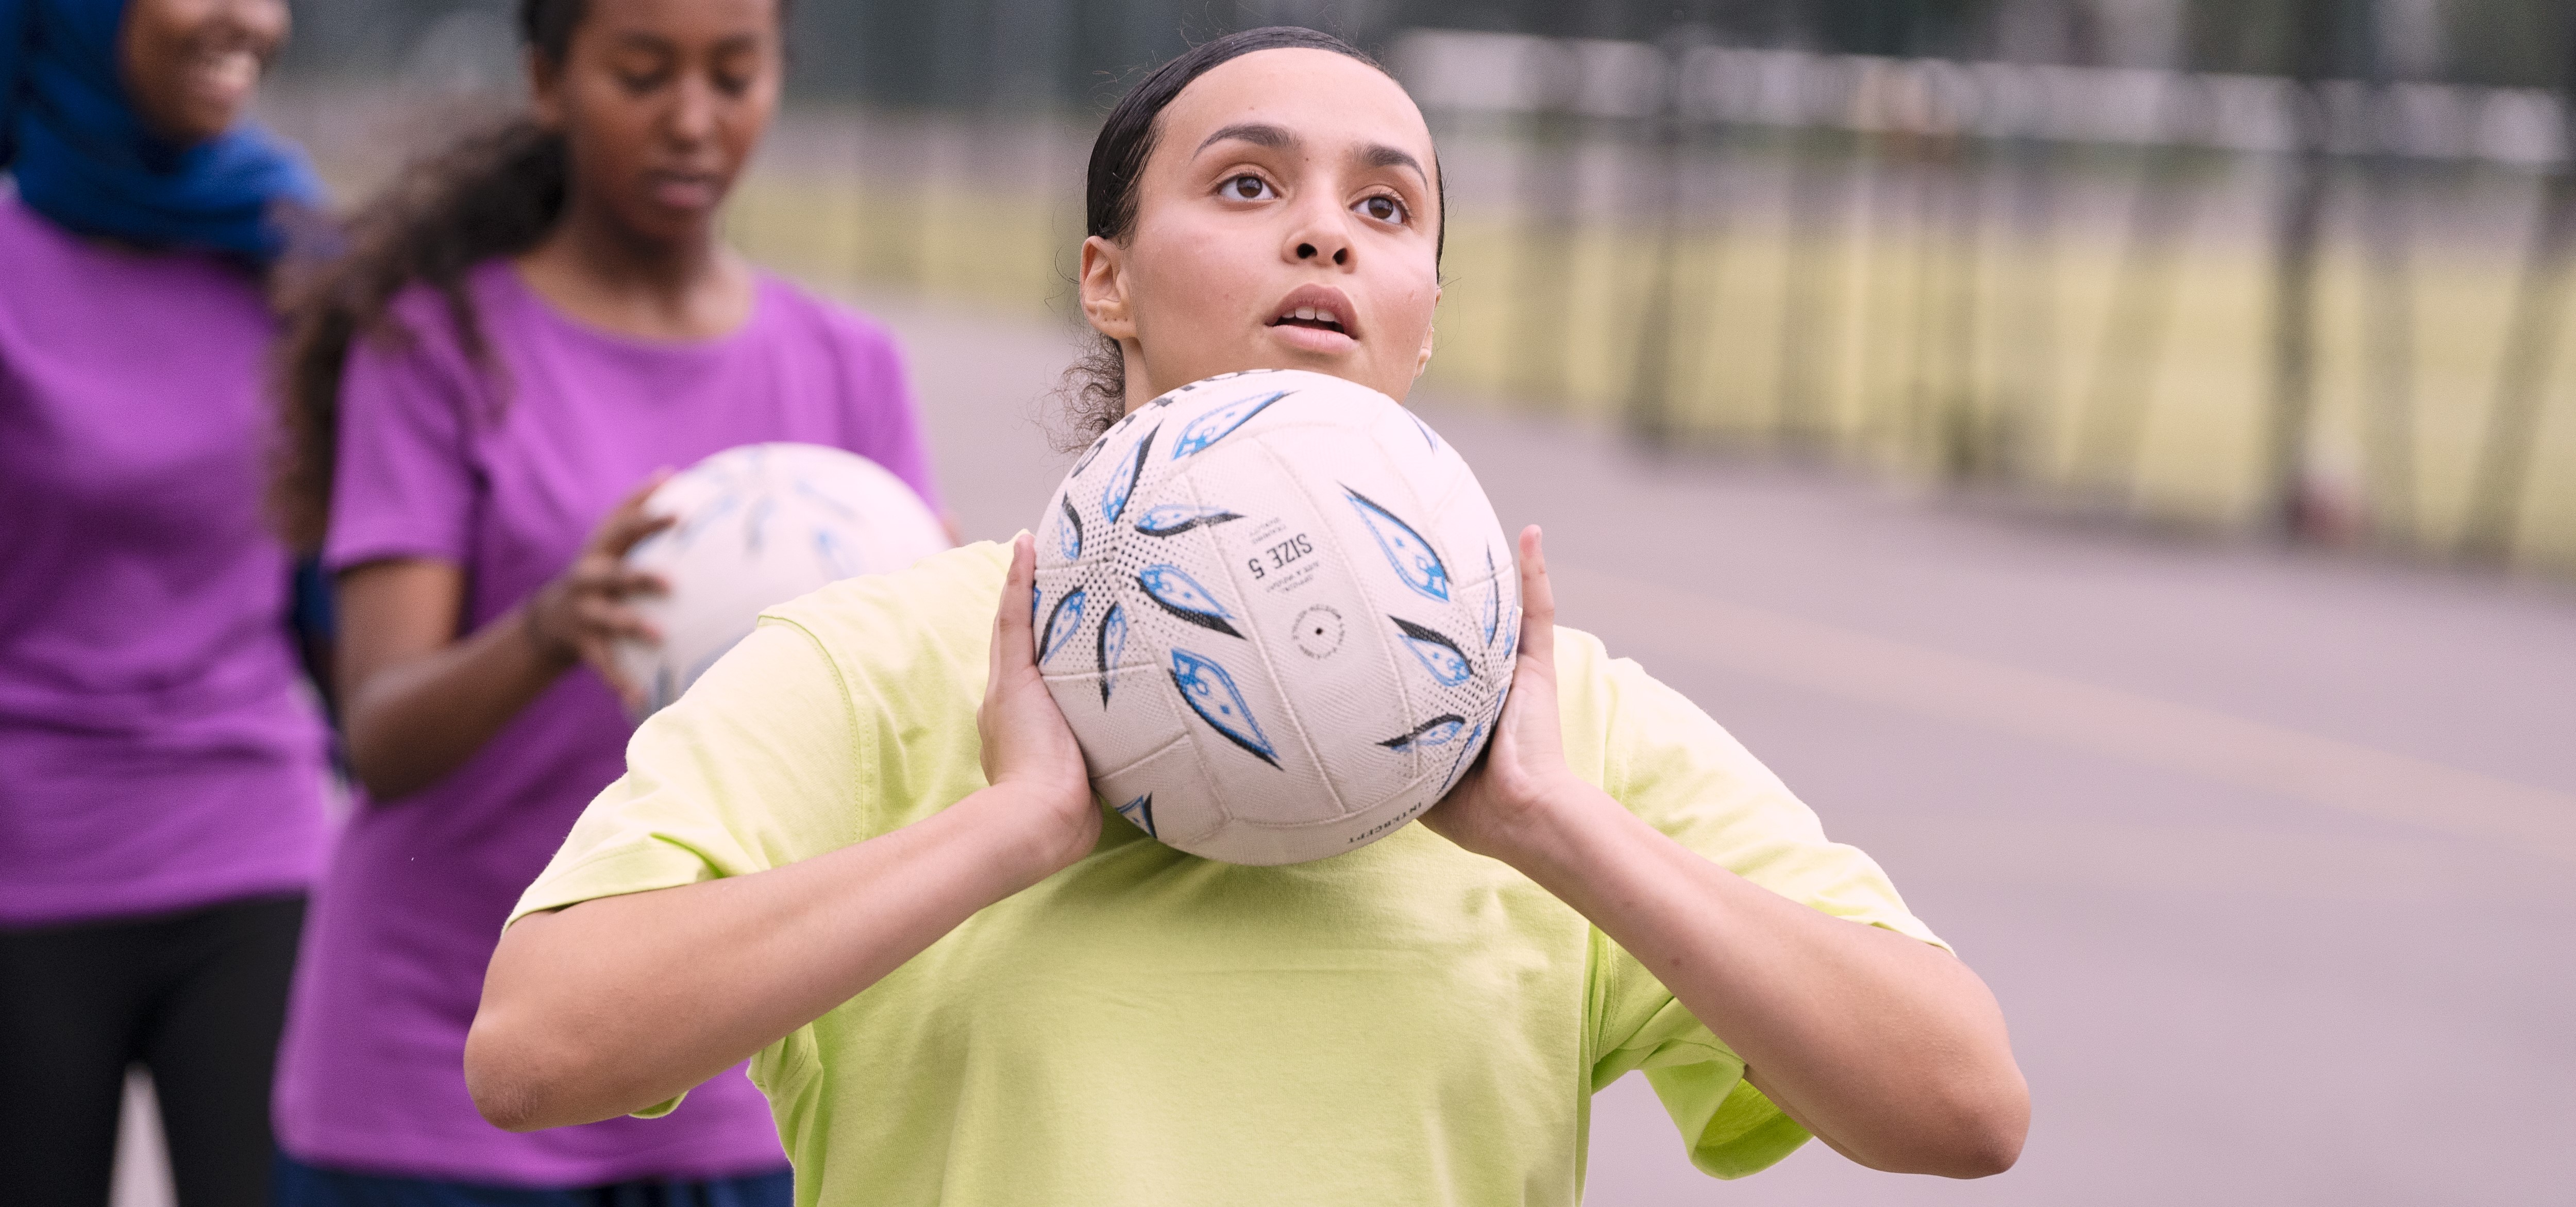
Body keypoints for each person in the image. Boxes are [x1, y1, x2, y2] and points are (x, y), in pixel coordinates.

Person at [466, 27, 2029, 1206]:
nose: (1326, 232)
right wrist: (1006, 830)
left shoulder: (1561, 725)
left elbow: (1963, 1106)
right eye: (1248, 183)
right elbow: (540, 1051)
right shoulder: (891, 662)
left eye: (1388, 206)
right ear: (1109, 279)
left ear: (1422, 319)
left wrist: (1555, 824)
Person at [261, 0, 938, 1201]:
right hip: (439, 1080)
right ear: (547, 81)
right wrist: (550, 624)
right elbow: (383, 736)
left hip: (738, 1077)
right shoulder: (437, 344)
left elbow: (912, 738)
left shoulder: (847, 366)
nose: (691, 120)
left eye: (734, 75)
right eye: (641, 73)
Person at [0, 0, 332, 1204]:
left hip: (252, 844)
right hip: (26, 868)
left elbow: (356, 575)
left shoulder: (300, 248)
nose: (250, 17)